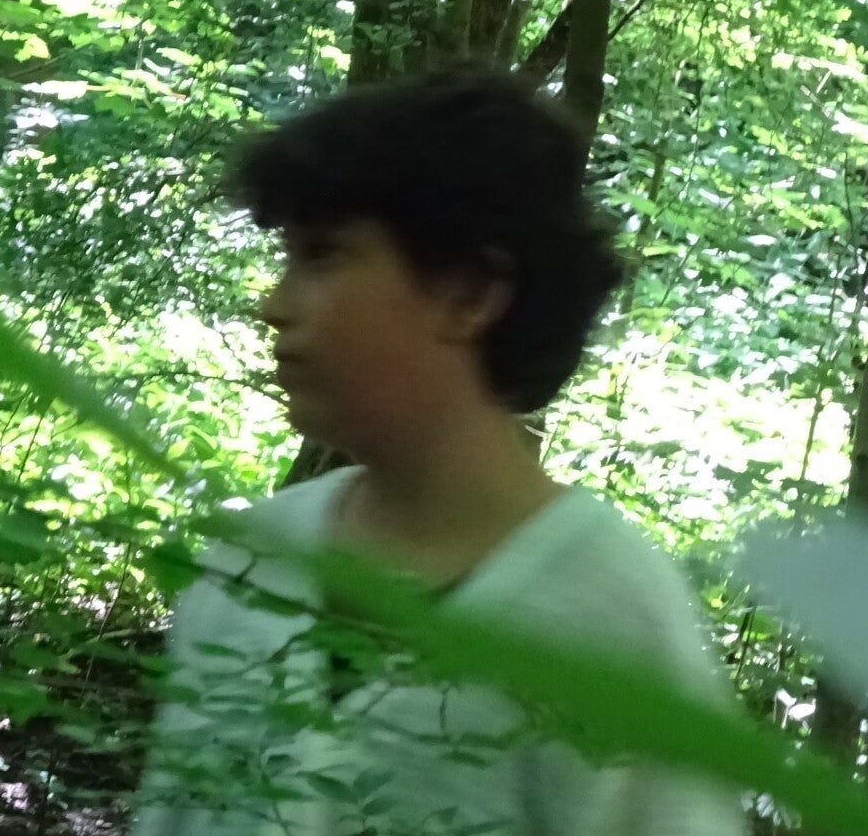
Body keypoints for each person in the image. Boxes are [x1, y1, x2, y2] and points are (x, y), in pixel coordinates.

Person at [133, 67, 748, 836]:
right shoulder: (250, 560)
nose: (273, 305)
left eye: (322, 256)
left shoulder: (612, 619)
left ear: (470, 294)